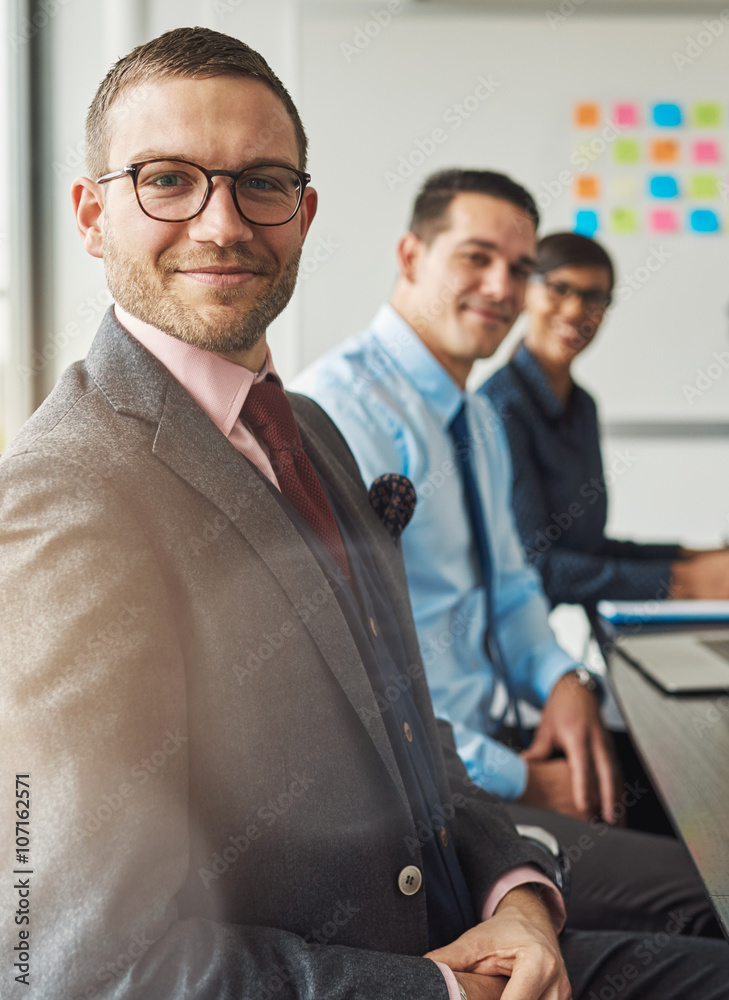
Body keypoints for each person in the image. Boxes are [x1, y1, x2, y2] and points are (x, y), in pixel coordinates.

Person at [1, 30, 727, 1000]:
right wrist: (430, 988)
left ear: (304, 214)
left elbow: (408, 731)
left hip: (470, 920)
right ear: (92, 215)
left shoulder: (305, 432)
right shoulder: (66, 495)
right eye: (168, 180)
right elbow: (78, 970)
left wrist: (518, 890)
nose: (222, 223)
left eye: (261, 183)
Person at [294, 169, 722, 938]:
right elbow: (351, 688)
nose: (501, 286)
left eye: (519, 268)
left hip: (513, 732)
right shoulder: (336, 413)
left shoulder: (477, 418)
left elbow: (518, 588)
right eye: (475, 257)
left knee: (706, 804)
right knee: (707, 894)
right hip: (440, 795)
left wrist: (560, 679)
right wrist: (522, 777)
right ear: (410, 255)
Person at [480, 231, 729, 609]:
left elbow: (587, 547)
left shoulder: (582, 406)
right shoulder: (498, 407)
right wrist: (684, 580)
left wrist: (693, 555)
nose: (576, 310)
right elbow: (535, 567)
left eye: (594, 297)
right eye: (559, 288)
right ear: (526, 292)